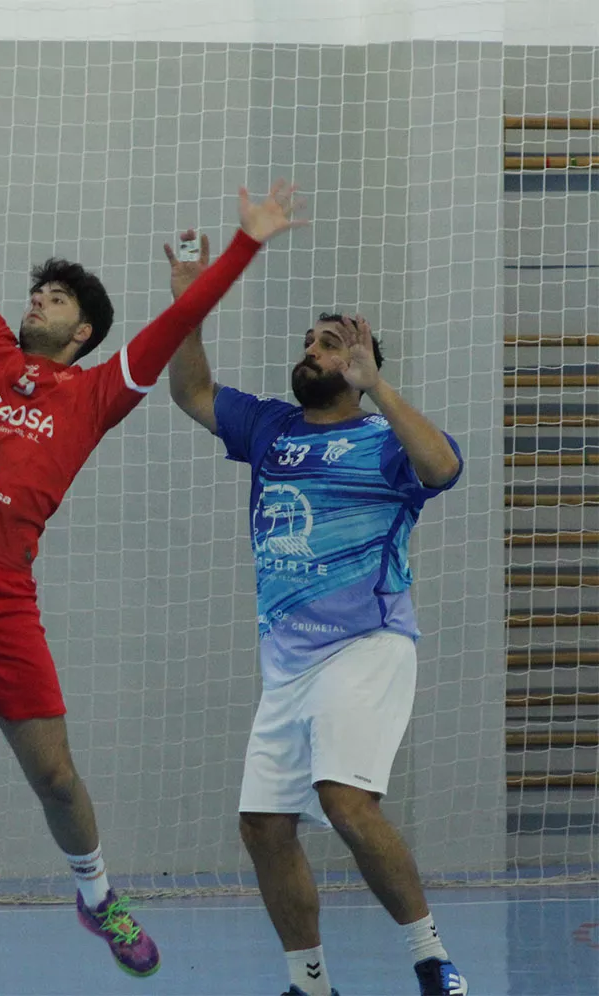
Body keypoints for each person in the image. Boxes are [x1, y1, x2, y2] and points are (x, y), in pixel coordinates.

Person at [0, 60, 306, 994]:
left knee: (57, 779)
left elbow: (177, 323)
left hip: (2, 592)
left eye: (60, 299)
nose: (40, 298)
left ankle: (98, 893)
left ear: (83, 333)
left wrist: (244, 248)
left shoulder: (95, 394)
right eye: (39, 291)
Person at [164, 234, 468, 996]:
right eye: (308, 343)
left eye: (328, 345)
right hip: (288, 663)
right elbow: (191, 393)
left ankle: (433, 962)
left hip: (366, 645)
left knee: (343, 800)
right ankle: (311, 984)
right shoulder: (271, 429)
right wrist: (188, 302)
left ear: (359, 369)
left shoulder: (384, 439)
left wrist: (381, 390)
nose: (311, 351)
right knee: (264, 824)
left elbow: (444, 469)